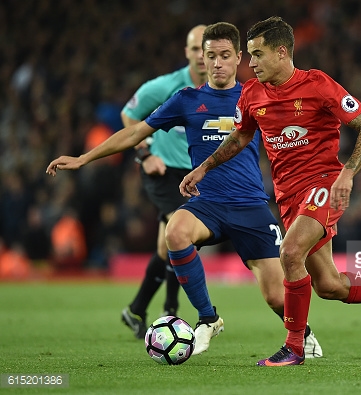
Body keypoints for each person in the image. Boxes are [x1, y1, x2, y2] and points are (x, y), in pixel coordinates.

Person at [46, 22, 322, 359]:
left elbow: (299, 127)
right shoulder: (186, 100)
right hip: (207, 203)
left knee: (276, 297)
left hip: (250, 205)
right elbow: (135, 133)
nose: (217, 63)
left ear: (239, 58)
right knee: (175, 232)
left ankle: (302, 334)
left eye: (224, 56)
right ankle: (209, 318)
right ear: (202, 60)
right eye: (210, 56)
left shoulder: (258, 95)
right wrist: (84, 158)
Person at [179, 16, 361, 367]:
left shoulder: (318, 85)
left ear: (282, 53)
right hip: (288, 196)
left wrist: (347, 173)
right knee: (328, 285)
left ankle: (294, 348)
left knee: (291, 252)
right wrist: (204, 168)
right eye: (249, 55)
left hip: (324, 184)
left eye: (257, 54)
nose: (250, 64)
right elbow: (240, 136)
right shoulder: (251, 94)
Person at [118, 25, 208, 339]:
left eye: (205, 49)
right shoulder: (167, 86)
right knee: (179, 233)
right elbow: (129, 115)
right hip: (163, 171)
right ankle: (171, 311)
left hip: (195, 176)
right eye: (194, 49)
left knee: (164, 246)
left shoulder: (221, 91)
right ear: (186, 52)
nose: (200, 56)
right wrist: (144, 154)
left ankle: (136, 309)